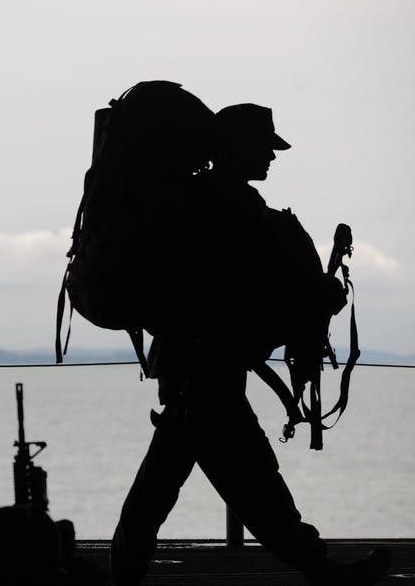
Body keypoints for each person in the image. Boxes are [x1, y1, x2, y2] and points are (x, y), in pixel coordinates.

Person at [108, 102, 391, 586]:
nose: (272, 157)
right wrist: (322, 295)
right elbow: (264, 284)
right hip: (206, 369)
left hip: (193, 366)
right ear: (234, 145)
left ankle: (123, 575)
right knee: (254, 484)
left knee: (170, 485)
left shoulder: (207, 200)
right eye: (265, 145)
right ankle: (324, 572)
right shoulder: (228, 205)